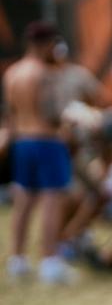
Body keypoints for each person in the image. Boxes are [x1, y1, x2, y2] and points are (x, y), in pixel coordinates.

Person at [3, 21, 74, 283]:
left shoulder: (12, 73)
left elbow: (10, 115)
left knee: (23, 201)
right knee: (52, 201)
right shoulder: (44, 74)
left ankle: (18, 259)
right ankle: (49, 260)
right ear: (47, 44)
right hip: (47, 140)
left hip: (22, 141)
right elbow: (52, 113)